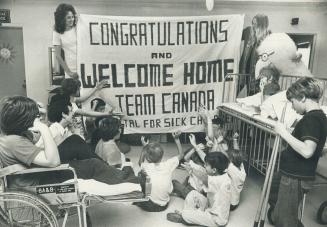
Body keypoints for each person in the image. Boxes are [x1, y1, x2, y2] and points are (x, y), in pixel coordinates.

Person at [269, 77, 327, 227]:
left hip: (295, 177)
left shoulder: (311, 119)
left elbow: (308, 151)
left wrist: (283, 133)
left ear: (302, 97)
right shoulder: (318, 117)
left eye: (293, 102)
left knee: (285, 220)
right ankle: (281, 216)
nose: (292, 107)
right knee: (273, 192)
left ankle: (285, 219)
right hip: (291, 173)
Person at [0, 96, 61, 187]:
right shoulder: (15, 142)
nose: (36, 117)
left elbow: (38, 138)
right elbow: (54, 161)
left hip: (37, 178)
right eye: (34, 115)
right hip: (37, 184)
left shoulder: (11, 137)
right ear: (23, 119)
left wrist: (43, 121)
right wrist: (43, 128)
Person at [167, 152, 232, 227]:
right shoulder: (222, 174)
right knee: (192, 193)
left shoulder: (219, 180)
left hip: (216, 219)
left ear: (214, 170)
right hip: (210, 206)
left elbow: (204, 177)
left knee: (185, 214)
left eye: (206, 165)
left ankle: (185, 216)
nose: (204, 166)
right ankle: (193, 214)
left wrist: (191, 170)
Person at [133, 132, 184, 212]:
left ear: (148, 159)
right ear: (162, 155)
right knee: (174, 182)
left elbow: (140, 163)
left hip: (151, 205)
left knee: (140, 174)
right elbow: (181, 155)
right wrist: (177, 139)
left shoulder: (147, 167)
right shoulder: (168, 164)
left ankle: (140, 201)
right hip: (165, 204)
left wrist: (145, 147)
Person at [239, 14, 271, 96]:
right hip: (243, 70)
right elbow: (235, 34)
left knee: (253, 94)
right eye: (252, 23)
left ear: (261, 25)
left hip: (257, 72)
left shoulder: (268, 35)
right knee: (236, 90)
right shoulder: (248, 31)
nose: (253, 26)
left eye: (255, 24)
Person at [53, 3, 78, 79]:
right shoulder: (57, 32)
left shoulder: (78, 27)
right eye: (68, 18)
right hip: (71, 69)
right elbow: (58, 56)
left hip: (84, 66)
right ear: (62, 19)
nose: (72, 20)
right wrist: (69, 72)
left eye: (72, 17)